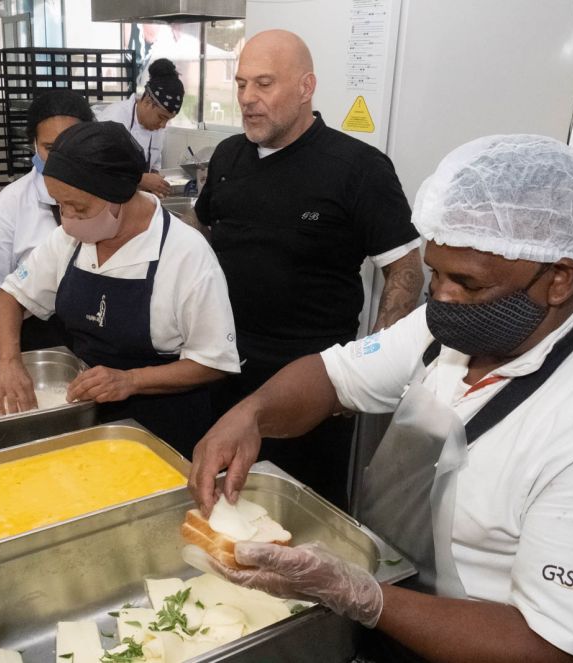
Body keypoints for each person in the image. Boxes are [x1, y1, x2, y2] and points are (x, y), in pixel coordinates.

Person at [188, 134, 573, 663]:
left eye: (467, 284)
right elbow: (331, 377)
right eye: (436, 274)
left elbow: (553, 650)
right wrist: (252, 414)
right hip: (391, 614)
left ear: (558, 279)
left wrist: (365, 597)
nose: (442, 298)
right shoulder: (454, 329)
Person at [193, 29, 424, 509]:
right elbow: (203, 236)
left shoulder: (357, 168)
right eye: (240, 85)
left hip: (309, 389)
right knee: (222, 506)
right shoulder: (228, 157)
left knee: (300, 519)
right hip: (222, 370)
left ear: (305, 87)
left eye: (264, 84)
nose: (247, 99)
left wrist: (367, 368)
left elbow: (406, 271)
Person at [0, 120, 240, 457]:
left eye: (79, 208)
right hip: (87, 418)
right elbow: (9, 297)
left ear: (118, 197)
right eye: (60, 205)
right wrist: (9, 361)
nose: (67, 218)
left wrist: (131, 380)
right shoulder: (68, 240)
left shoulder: (186, 256)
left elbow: (214, 362)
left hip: (161, 431)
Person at [0, 89, 94, 355]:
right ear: (34, 144)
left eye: (72, 143)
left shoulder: (105, 196)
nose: (62, 157)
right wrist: (3, 363)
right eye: (50, 148)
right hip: (40, 336)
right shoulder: (9, 206)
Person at [96, 58, 184, 199]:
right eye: (162, 117)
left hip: (135, 199)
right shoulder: (114, 119)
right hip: (106, 199)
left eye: (168, 120)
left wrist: (155, 179)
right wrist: (140, 179)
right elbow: (97, 168)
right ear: (148, 101)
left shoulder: (157, 128)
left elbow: (155, 162)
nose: (163, 125)